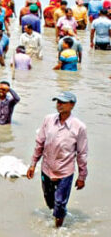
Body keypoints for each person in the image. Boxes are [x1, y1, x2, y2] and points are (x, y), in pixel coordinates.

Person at [26, 92, 88, 228]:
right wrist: (32, 164)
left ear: (72, 105)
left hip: (65, 171)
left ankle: (57, 228)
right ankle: (57, 212)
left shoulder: (79, 127)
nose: (59, 104)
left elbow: (82, 153)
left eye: (63, 102)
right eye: (57, 101)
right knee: (49, 201)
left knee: (59, 203)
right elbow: (39, 143)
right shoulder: (48, 120)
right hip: (46, 169)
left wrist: (82, 176)